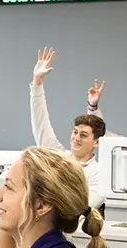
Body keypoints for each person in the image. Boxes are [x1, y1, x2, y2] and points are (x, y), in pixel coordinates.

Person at [30, 48, 106, 209]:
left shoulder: (98, 173)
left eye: (83, 135)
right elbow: (40, 123)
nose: (76, 138)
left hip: (73, 225)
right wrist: (37, 82)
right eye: (75, 132)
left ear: (96, 142)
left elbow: (84, 208)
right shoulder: (59, 157)